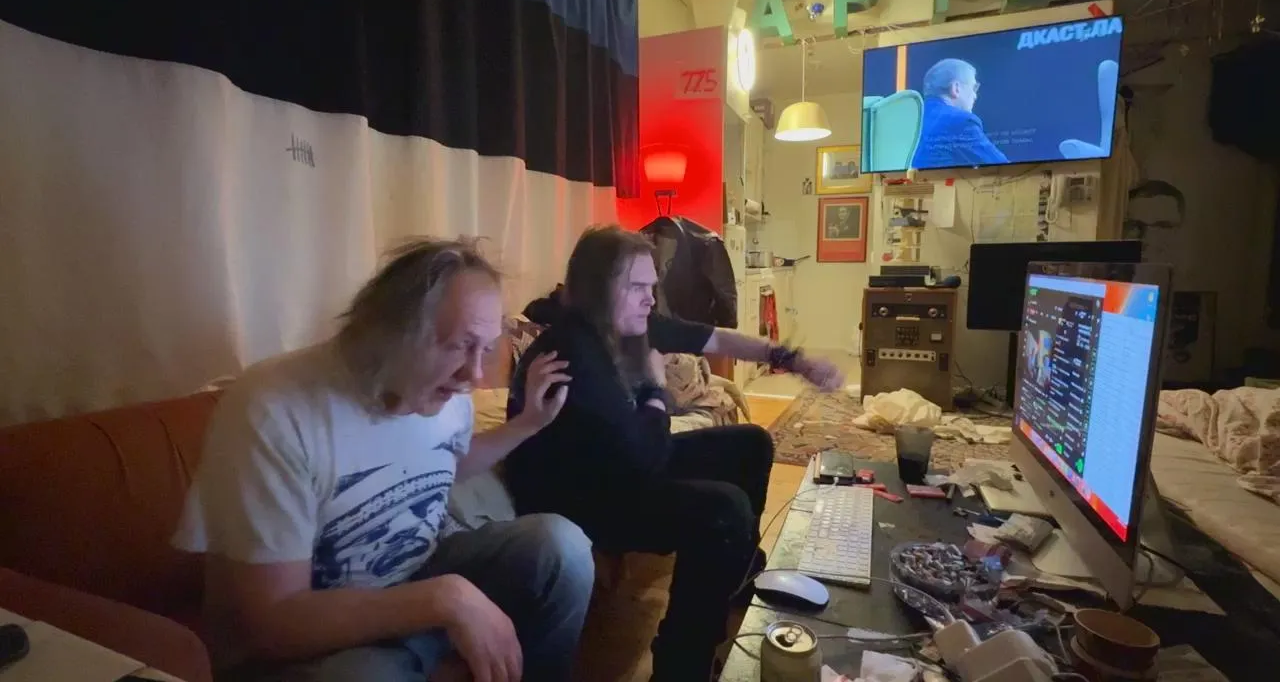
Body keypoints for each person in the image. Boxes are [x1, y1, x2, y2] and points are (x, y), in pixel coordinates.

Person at [171, 238, 594, 682]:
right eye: (458, 346)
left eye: (484, 349)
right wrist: (444, 599)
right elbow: (274, 624)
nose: (473, 376)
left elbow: (439, 468)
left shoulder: (443, 393)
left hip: (413, 573)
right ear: (391, 331)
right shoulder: (274, 410)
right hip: (308, 634)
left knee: (562, 548)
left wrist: (527, 424)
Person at [503, 226, 845, 680]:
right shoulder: (572, 356)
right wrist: (654, 389)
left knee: (750, 444)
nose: (650, 299)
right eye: (638, 287)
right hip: (578, 498)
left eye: (652, 286)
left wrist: (794, 360)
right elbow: (644, 457)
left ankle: (735, 578)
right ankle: (681, 662)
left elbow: (716, 338)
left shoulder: (627, 326)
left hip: (619, 461)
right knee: (722, 510)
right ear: (598, 290)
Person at [911, 58, 1009, 169]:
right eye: (974, 88)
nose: (975, 96)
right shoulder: (960, 121)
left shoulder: (909, 118)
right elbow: (1003, 168)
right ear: (956, 88)